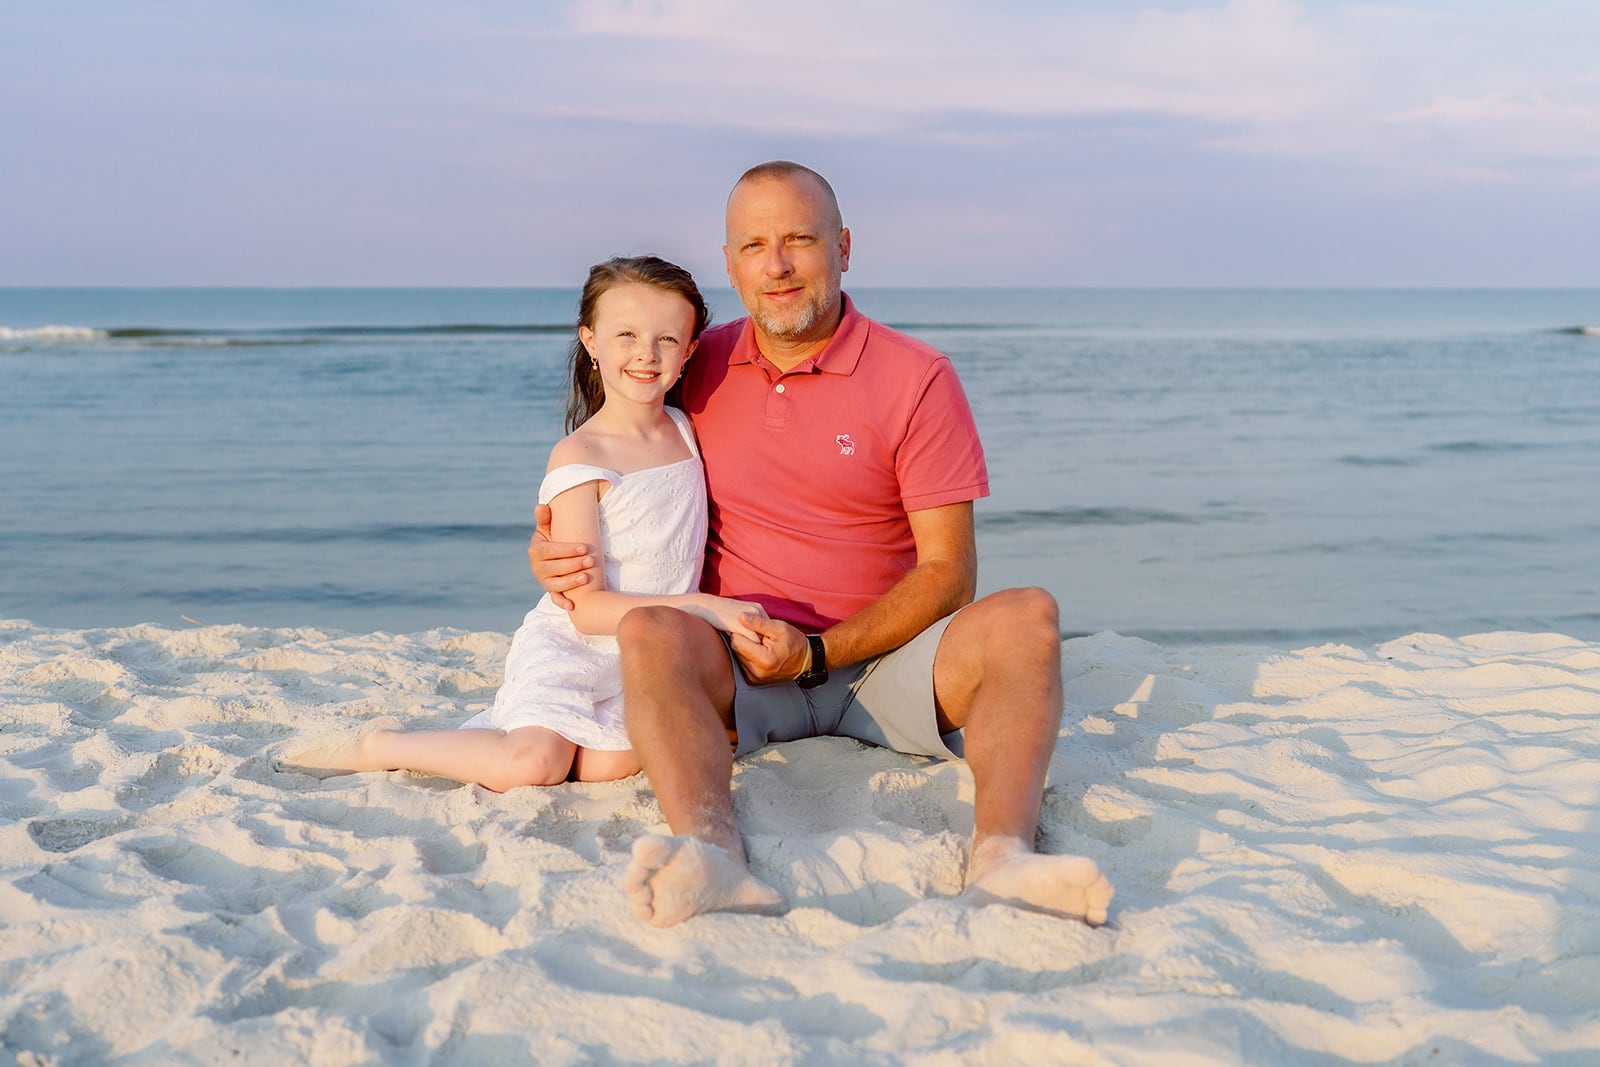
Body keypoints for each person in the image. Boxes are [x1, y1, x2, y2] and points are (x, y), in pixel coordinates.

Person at [531, 163, 1115, 927]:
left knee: (1028, 615)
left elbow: (950, 572)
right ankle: (712, 857)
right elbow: (610, 454)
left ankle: (1003, 855)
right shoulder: (693, 361)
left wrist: (817, 652)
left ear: (842, 246)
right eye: (754, 246)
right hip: (739, 662)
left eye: (799, 240)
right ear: (731, 261)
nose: (776, 266)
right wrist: (553, 548)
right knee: (650, 630)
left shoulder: (918, 378)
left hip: (889, 663)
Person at [278, 255, 767, 790]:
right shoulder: (581, 456)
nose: (646, 355)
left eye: (667, 340)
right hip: (576, 649)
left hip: (643, 656)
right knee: (535, 765)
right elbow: (585, 610)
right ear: (591, 341)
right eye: (625, 334)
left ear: (691, 348)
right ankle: (384, 746)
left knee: (606, 766)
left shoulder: (684, 427)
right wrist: (706, 608)